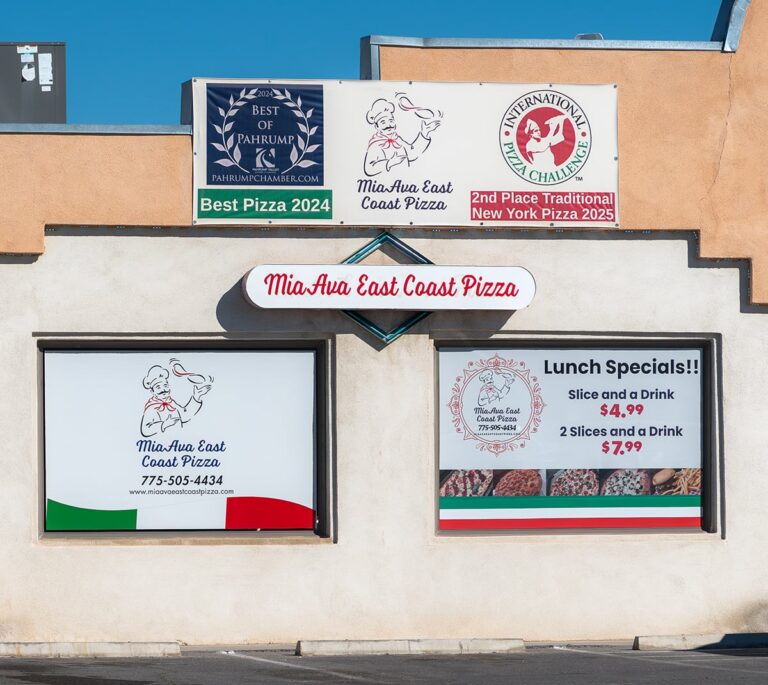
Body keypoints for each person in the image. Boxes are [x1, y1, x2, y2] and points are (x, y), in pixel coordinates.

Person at [364, 98, 440, 176]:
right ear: (377, 127)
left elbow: (411, 154)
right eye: (383, 122)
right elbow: (369, 168)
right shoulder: (375, 144)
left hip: (404, 183)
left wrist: (424, 133)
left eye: (391, 121)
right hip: (385, 185)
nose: (389, 125)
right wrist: (390, 163)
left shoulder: (397, 139)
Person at [140, 365, 211, 437]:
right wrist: (164, 424)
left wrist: (196, 396)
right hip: (160, 443)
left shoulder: (171, 403)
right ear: (153, 392)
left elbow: (184, 415)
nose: (163, 389)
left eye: (165, 386)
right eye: (158, 387)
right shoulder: (151, 408)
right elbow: (145, 429)